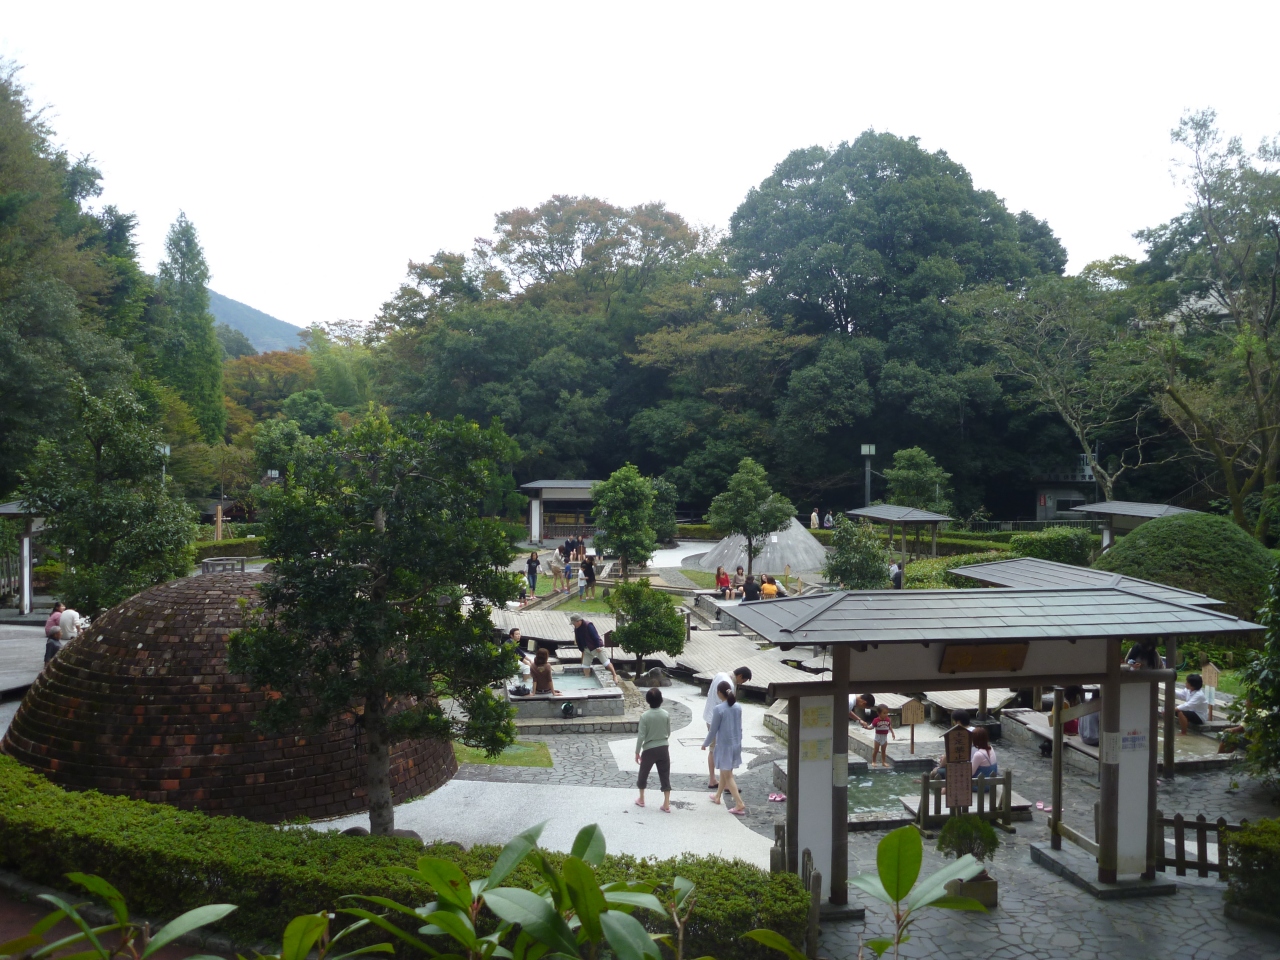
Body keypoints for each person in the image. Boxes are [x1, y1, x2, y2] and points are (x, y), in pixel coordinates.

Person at [702, 680, 747, 815]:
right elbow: (740, 727)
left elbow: (713, 730)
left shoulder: (719, 709)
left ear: (719, 693)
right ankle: (717, 796)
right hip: (736, 743)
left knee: (728, 775)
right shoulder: (738, 707)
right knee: (724, 771)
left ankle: (739, 803)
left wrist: (705, 743)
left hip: (725, 745)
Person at [704, 665, 752, 789]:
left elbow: (709, 694)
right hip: (719, 721)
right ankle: (727, 784)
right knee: (724, 752)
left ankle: (713, 779)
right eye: (743, 680)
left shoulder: (719, 674)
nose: (741, 683)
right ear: (740, 676)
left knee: (712, 750)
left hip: (709, 715)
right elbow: (727, 707)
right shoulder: (729, 685)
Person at [635, 687, 672, 812]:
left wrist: (637, 751)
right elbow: (668, 732)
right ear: (661, 700)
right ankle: (666, 803)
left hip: (649, 749)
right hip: (663, 747)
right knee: (665, 774)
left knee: (643, 773)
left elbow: (641, 736)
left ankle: (641, 798)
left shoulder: (645, 716)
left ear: (647, 700)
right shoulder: (666, 714)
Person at [571, 613, 618, 682]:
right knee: (585, 665)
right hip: (586, 649)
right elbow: (578, 639)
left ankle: (614, 675)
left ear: (578, 621)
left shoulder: (588, 625)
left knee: (606, 663)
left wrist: (598, 646)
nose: (573, 624)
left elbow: (595, 636)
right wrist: (581, 649)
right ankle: (587, 678)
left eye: (574, 623)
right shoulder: (576, 628)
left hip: (596, 647)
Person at [971, 725, 998, 792]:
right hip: (991, 784)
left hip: (980, 785)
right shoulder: (991, 748)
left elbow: (971, 773)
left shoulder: (978, 754)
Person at [869, 703, 896, 767]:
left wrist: (892, 733)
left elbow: (889, 726)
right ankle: (873, 761)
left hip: (884, 738)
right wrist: (867, 727)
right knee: (876, 750)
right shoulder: (876, 720)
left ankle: (883, 762)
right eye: (884, 713)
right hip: (877, 738)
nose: (886, 715)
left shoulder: (888, 719)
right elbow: (871, 726)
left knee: (883, 751)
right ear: (879, 713)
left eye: (887, 713)